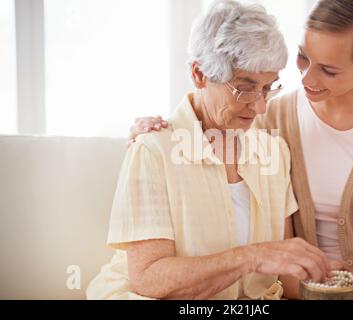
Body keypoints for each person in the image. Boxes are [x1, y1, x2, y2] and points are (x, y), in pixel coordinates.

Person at [129, 0, 353, 299]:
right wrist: (157, 128)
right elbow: (214, 104)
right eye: (303, 57)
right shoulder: (270, 113)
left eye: (329, 69)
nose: (307, 77)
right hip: (313, 288)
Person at [86, 0, 336, 300]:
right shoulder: (154, 151)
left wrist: (334, 284)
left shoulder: (272, 152)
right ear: (199, 74)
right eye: (245, 87)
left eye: (268, 88)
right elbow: (149, 279)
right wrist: (252, 257)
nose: (259, 106)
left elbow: (281, 272)